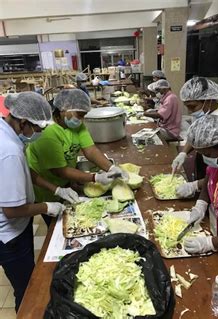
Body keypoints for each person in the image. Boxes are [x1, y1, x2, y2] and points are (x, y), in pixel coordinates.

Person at [0, 92, 66, 312]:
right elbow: (11, 210)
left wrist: (55, 188)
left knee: (29, 284)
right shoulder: (9, 150)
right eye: (36, 129)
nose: (38, 134)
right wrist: (48, 206)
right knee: (29, 291)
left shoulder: (7, 133)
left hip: (18, 227)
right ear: (24, 122)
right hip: (9, 237)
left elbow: (25, 172)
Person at [26, 89, 128, 226]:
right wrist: (95, 178)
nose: (81, 120)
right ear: (63, 109)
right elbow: (59, 170)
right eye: (79, 115)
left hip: (65, 181)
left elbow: (90, 150)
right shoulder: (47, 132)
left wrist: (111, 167)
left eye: (83, 116)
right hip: (46, 186)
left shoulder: (76, 126)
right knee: (58, 224)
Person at [182, 114, 218, 259]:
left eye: (207, 154)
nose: (206, 159)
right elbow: (210, 178)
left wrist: (210, 243)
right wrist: (201, 205)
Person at [173, 77, 218, 198]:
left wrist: (195, 185)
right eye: (187, 106)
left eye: (193, 107)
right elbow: (195, 137)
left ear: (209, 100)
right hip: (208, 166)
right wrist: (183, 153)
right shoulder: (203, 114)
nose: (190, 111)